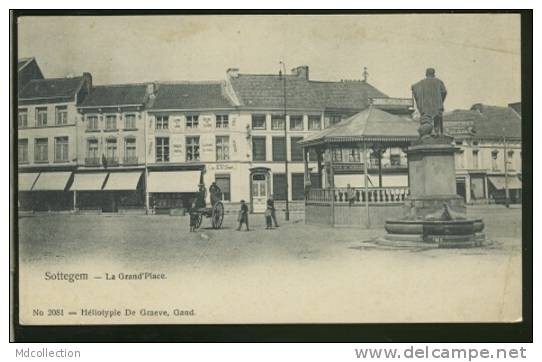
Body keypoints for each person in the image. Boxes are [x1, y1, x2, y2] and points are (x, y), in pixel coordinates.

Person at [411, 68, 447, 137]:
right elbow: (444, 92)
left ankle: (428, 134)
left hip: (426, 106)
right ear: (434, 74)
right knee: (437, 120)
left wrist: (413, 87)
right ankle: (437, 133)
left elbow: (414, 87)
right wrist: (440, 100)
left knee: (427, 120)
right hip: (437, 106)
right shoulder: (439, 82)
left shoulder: (421, 82)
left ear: (426, 74)